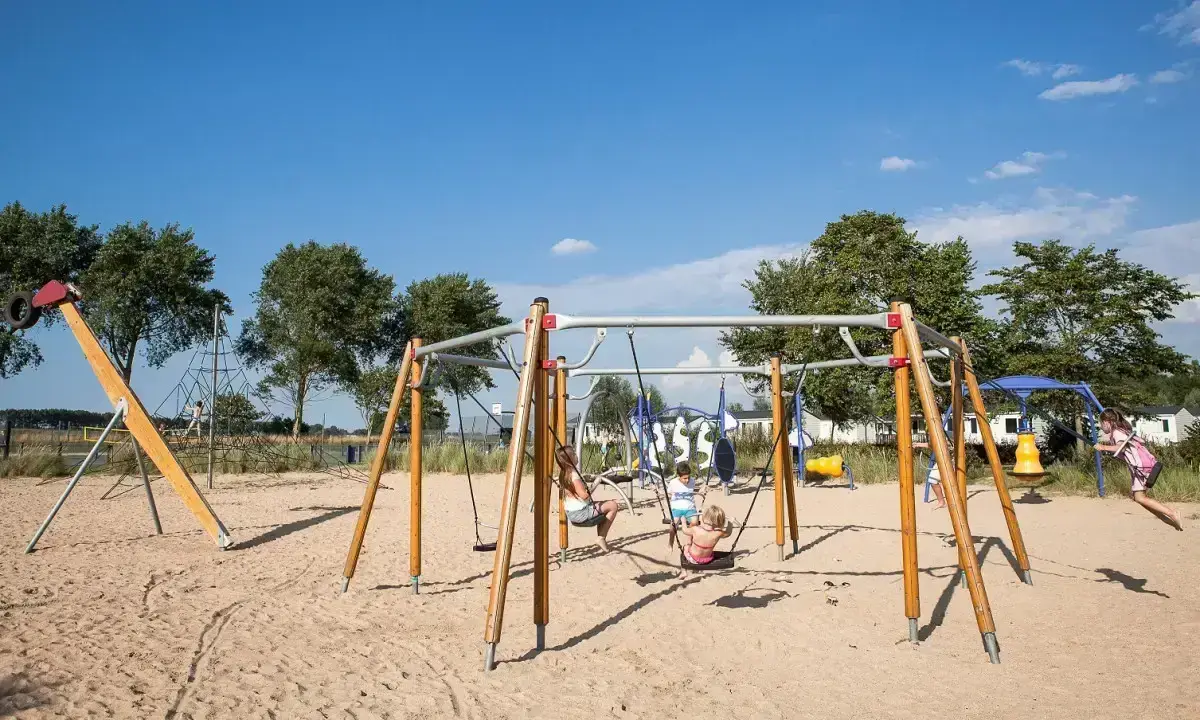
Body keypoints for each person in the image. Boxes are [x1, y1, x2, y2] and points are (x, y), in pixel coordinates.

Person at [1095, 409, 1182, 531]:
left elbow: (1120, 447)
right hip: (1140, 467)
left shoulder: (1117, 432)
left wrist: (1103, 447)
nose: (1101, 426)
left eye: (1101, 423)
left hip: (1141, 467)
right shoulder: (1121, 431)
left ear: (1107, 422)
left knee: (1140, 497)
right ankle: (1167, 518)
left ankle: (1171, 513)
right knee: (1139, 497)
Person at [554, 446, 622, 551]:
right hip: (581, 514)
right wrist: (596, 483)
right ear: (570, 459)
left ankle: (601, 538)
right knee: (613, 506)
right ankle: (601, 537)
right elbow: (584, 495)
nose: (576, 455)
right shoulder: (573, 475)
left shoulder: (563, 474)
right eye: (574, 454)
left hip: (572, 512)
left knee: (605, 504)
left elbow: (575, 490)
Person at [912, 441, 948, 509]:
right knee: (932, 480)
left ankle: (953, 501)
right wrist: (918, 444)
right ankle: (941, 502)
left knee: (950, 482)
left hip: (950, 460)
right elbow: (934, 445)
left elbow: (942, 445)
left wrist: (919, 444)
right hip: (941, 461)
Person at [667, 461, 702, 526]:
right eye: (684, 478)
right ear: (678, 476)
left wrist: (703, 490)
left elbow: (694, 491)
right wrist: (657, 491)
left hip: (690, 509)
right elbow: (668, 494)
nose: (687, 480)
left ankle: (689, 532)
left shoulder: (692, 481)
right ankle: (673, 533)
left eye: (688, 477)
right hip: (677, 509)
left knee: (695, 522)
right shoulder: (673, 482)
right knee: (673, 525)